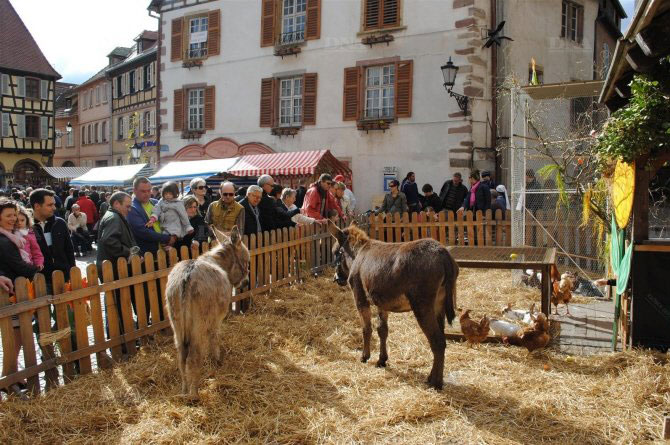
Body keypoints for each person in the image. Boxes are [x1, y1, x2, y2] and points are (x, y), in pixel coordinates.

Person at [0, 199, 39, 398]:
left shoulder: (11, 237)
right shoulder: (4, 240)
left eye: (14, 215)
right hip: (10, 294)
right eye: (8, 216)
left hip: (14, 291)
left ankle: (11, 375)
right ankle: (8, 377)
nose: (13, 219)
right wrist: (39, 270)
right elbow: (17, 265)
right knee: (13, 339)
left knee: (16, 338)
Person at [30, 189, 76, 286]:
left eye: (54, 204)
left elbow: (69, 250)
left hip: (62, 276)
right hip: (39, 280)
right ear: (37, 206)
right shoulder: (26, 227)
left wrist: (72, 272)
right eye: (50, 205)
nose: (54, 208)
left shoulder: (60, 223)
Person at [127, 177, 175, 256]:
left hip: (166, 250)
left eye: (149, 190)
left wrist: (173, 236)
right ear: (134, 190)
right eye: (143, 191)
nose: (147, 193)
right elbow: (143, 232)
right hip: (148, 254)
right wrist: (168, 238)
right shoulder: (132, 208)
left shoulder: (156, 202)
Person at [96, 192, 137, 280]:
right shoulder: (114, 218)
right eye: (127, 206)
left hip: (114, 268)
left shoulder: (114, 216)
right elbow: (109, 240)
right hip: (114, 270)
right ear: (116, 204)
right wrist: (128, 252)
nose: (129, 210)